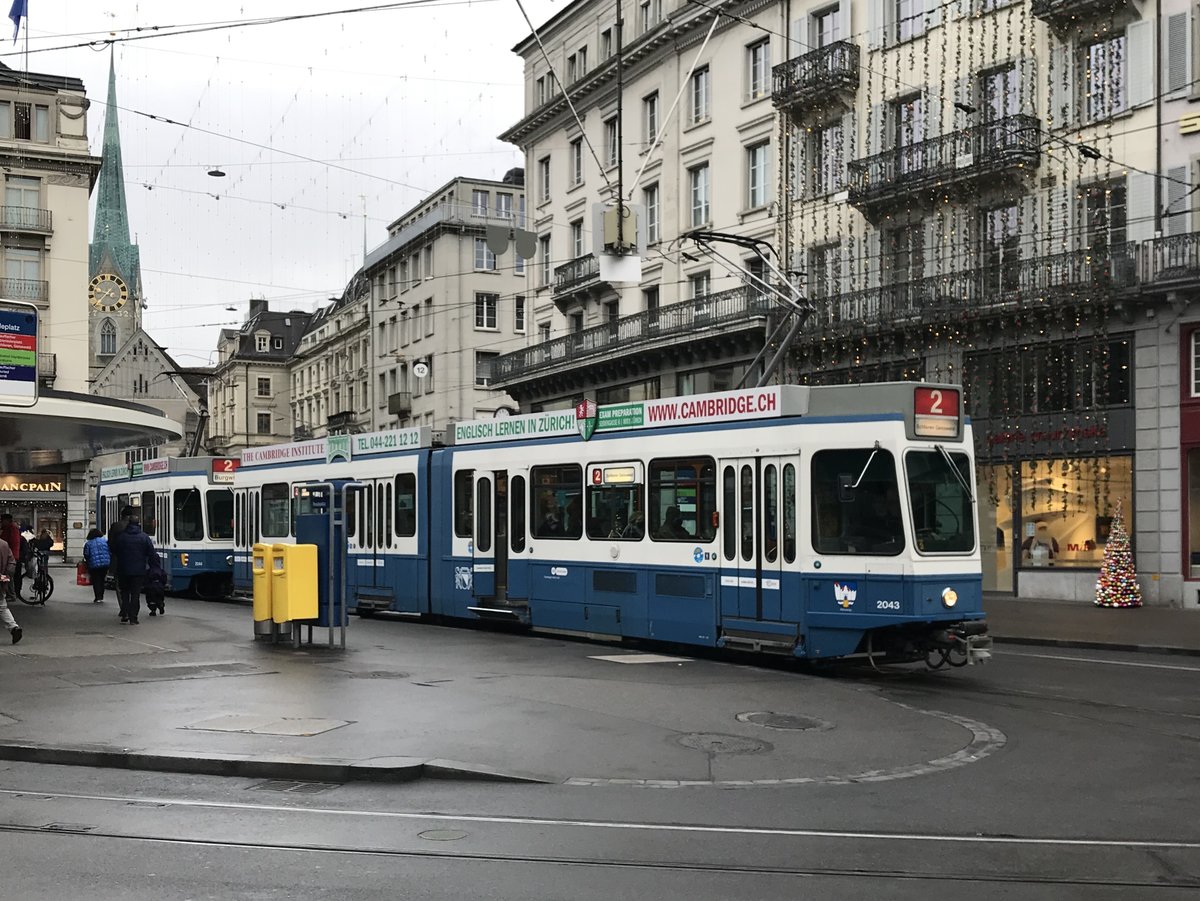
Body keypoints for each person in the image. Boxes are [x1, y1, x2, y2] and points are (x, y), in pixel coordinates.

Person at [110, 511, 156, 625]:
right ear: (138, 523)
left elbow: (114, 549)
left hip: (123, 569)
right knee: (135, 594)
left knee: (124, 593)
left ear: (128, 523)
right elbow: (151, 552)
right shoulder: (144, 537)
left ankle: (124, 614)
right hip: (138, 570)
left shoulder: (121, 537)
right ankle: (133, 618)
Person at [0, 533, 22, 644]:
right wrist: (7, 575)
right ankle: (13, 627)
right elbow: (12, 561)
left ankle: (13, 627)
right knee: (2, 606)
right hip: (2, 581)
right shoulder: (4, 544)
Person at [82, 528, 111, 604]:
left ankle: (98, 597)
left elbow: (86, 554)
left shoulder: (88, 543)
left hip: (94, 564)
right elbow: (109, 551)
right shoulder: (105, 541)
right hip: (105, 564)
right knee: (102, 579)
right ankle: (101, 595)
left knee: (96, 580)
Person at [0, 513, 24, 602]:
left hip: (11, 556)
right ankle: (9, 593)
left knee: (7, 576)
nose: (1, 522)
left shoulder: (11, 528)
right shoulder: (12, 528)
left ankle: (11, 594)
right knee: (7, 576)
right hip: (11, 555)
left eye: (2, 520)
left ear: (6, 520)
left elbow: (7, 541)